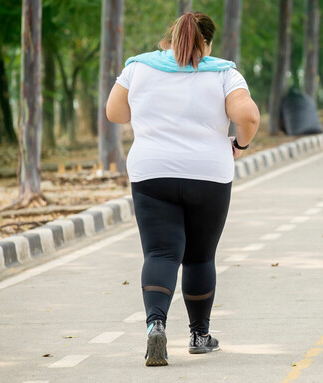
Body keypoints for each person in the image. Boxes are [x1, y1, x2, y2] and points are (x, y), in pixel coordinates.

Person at [106, 11, 260, 367]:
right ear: (205, 43)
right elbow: (249, 117)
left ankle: (156, 325)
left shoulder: (138, 68)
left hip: (151, 172)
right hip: (209, 174)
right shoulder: (224, 73)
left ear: (170, 39)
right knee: (199, 257)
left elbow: (115, 113)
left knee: (160, 255)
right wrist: (240, 145)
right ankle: (199, 335)